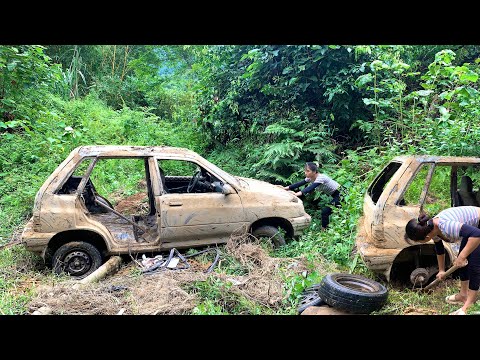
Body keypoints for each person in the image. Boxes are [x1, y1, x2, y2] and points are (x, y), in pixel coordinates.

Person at [405, 206, 480, 315]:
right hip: (473, 230)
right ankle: (463, 295)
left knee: (474, 265)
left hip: (478, 229)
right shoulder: (431, 229)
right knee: (462, 263)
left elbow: (477, 234)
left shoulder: (445, 226)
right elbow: (439, 249)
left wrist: (462, 256)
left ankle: (469, 304)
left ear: (426, 237)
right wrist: (441, 270)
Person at [282, 162, 343, 229]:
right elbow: (299, 183)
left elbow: (310, 187)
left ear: (314, 172)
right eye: (305, 170)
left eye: (308, 171)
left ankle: (324, 231)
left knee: (325, 211)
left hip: (342, 194)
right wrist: (285, 188)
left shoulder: (321, 178)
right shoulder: (310, 178)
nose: (305, 172)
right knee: (332, 210)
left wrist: (297, 194)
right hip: (335, 195)